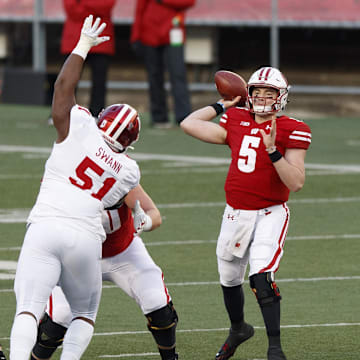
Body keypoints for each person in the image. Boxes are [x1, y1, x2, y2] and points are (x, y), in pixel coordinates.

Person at [10, 16, 141, 360]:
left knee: (28, 308)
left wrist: (82, 45)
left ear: (101, 120)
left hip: (46, 225)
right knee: (83, 314)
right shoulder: (129, 170)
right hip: (85, 237)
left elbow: (62, 90)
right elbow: (113, 202)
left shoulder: (80, 124)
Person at [180, 66, 312, 360]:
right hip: (236, 212)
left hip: (270, 212)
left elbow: (296, 182)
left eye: (270, 92)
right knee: (228, 278)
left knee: (261, 277)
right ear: (248, 95)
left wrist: (273, 151)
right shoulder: (236, 118)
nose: (263, 97)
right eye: (257, 92)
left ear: (281, 97)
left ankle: (275, 348)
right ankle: (238, 328)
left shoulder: (293, 128)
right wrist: (220, 105)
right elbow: (189, 124)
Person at [30, 184, 179, 360]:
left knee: (158, 303)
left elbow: (153, 213)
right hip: (76, 258)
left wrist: (146, 221)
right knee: (59, 318)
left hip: (123, 252)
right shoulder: (64, 173)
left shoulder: (118, 170)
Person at [131, 0, 195, 128]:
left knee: (178, 73)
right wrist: (135, 35)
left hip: (173, 32)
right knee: (154, 76)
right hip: (149, 33)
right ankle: (159, 116)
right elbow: (140, 8)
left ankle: (183, 116)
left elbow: (189, 2)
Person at [61, 0, 116, 117]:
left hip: (100, 39)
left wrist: (82, 2)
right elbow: (71, 9)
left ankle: (96, 114)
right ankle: (63, 112)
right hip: (74, 39)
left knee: (99, 81)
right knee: (69, 80)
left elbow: (106, 6)